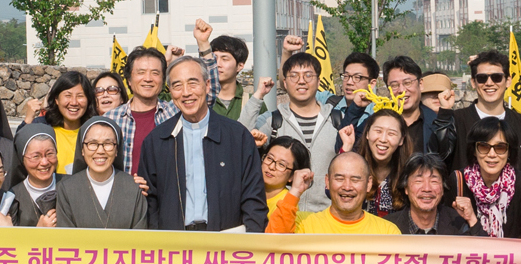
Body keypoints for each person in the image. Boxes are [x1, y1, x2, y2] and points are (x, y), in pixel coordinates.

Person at [141, 56, 266, 232]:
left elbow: (254, 198)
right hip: (174, 246)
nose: (186, 93)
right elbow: (150, 203)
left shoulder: (237, 136)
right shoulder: (157, 141)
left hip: (226, 245)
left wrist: (251, 242)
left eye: (193, 83)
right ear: (170, 92)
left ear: (207, 85)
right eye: (177, 86)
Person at [245, 50, 341, 213]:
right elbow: (240, 137)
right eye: (294, 76)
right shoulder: (272, 120)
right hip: (281, 213)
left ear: (318, 81)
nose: (301, 81)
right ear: (285, 82)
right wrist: (258, 95)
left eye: (308, 75)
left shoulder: (337, 120)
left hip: (327, 217)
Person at [51, 118, 144, 228]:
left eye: (108, 143)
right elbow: (66, 238)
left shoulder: (133, 188)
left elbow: (140, 238)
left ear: (116, 150)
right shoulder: (67, 189)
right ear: (82, 149)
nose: (100, 151)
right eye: (92, 143)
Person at [453, 49, 521, 173]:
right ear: (473, 82)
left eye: (496, 77)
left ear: (508, 81)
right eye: (482, 78)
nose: (489, 83)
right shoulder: (455, 121)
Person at [100, 47, 176, 178]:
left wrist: (202, 43)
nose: (148, 78)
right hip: (124, 195)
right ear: (129, 80)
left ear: (163, 80)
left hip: (164, 195)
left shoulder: (174, 112)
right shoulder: (111, 119)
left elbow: (205, 95)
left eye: (155, 73)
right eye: (141, 72)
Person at [295, 149, 401, 235]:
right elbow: (279, 241)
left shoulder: (387, 233)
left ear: (368, 184)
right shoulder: (303, 223)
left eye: (355, 180)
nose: (347, 187)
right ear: (327, 181)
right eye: (340, 178)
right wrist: (295, 191)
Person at [451, 117, 521, 238]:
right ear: (474, 150)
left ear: (509, 152)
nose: (492, 154)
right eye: (484, 147)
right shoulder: (458, 181)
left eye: (500, 148)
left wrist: (473, 220)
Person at [346, 109, 410, 217]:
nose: (383, 139)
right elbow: (331, 192)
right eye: (378, 131)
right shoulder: (354, 166)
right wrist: (346, 151)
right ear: (367, 134)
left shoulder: (409, 174)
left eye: (391, 133)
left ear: (401, 140)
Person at [391, 154, 473, 235]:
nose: (427, 189)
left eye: (434, 181)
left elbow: (482, 246)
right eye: (419, 181)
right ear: (406, 188)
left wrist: (471, 219)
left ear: (443, 188)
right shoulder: (390, 226)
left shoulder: (459, 223)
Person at [0, 124, 63, 225]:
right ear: (22, 159)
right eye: (36, 156)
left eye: (50, 154)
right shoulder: (12, 198)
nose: (44, 162)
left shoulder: (72, 186)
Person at [42, 69, 96, 173]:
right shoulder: (45, 132)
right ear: (56, 99)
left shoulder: (94, 133)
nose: (74, 102)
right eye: (68, 95)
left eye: (80, 96)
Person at [261, 135, 309, 233]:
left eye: (281, 165)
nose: (271, 167)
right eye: (269, 158)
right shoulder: (249, 189)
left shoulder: (286, 203)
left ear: (292, 176)